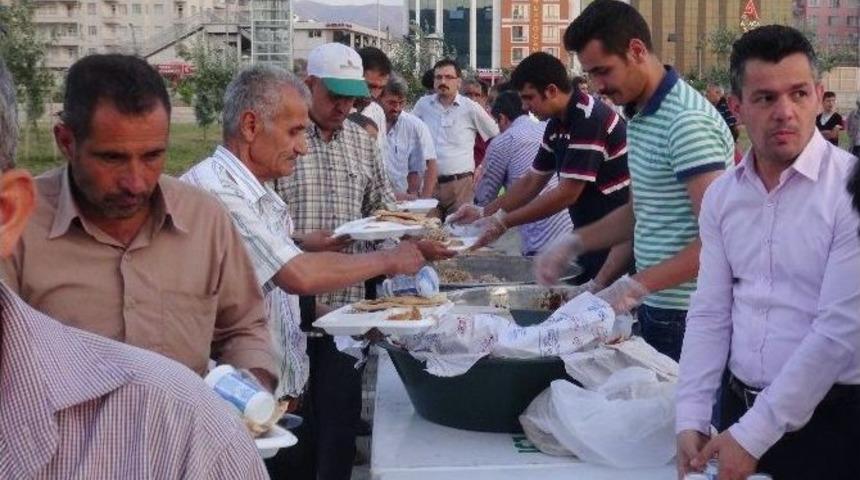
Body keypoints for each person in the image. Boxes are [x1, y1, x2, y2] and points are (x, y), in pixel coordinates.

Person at [0, 56, 268, 480]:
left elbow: (245, 327)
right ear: (66, 141)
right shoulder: (16, 229)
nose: (137, 181)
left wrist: (249, 403)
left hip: (192, 457)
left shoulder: (205, 220)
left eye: (153, 155)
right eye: (112, 158)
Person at [182, 65, 426, 479]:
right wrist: (390, 259)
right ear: (250, 125)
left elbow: (273, 291)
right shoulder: (219, 192)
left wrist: (354, 313)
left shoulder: (255, 193)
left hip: (272, 400)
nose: (303, 148)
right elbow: (296, 274)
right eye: (294, 132)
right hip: (237, 406)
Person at [676, 25, 860, 480]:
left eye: (798, 94)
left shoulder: (848, 191)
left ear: (819, 96)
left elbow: (839, 332)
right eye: (765, 98)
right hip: (738, 407)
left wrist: (753, 435)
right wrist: (692, 414)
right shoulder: (723, 198)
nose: (785, 112)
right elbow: (710, 311)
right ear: (736, 107)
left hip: (832, 422)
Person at [272, 43, 436, 480]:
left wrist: (419, 239)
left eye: (352, 98)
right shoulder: (280, 141)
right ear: (309, 85)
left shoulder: (362, 145)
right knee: (289, 433)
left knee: (339, 428)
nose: (344, 107)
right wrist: (303, 243)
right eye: (334, 96)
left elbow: (383, 208)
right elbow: (257, 226)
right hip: (285, 314)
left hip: (345, 313)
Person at [538, 0, 734, 360]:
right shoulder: (642, 117)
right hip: (658, 306)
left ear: (637, 50)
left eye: (603, 71)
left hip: (687, 313)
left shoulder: (685, 122)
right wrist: (575, 244)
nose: (597, 86)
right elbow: (640, 212)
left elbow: (718, 242)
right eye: (591, 74)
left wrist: (633, 286)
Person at [451, 53, 631, 287]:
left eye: (529, 98)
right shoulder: (556, 124)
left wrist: (504, 222)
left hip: (615, 240)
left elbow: (567, 193)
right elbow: (532, 180)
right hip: (589, 236)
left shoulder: (588, 118)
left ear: (552, 90)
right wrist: (484, 212)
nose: (525, 107)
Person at [471, 90, 574, 256]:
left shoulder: (504, 141)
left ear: (502, 118)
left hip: (540, 239)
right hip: (571, 230)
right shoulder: (547, 129)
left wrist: (478, 213)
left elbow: (485, 197)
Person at [412, 58, 499, 218]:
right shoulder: (422, 105)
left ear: (459, 82)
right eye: (438, 77)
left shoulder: (470, 107)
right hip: (429, 184)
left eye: (448, 77)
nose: (442, 81)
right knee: (428, 235)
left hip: (461, 186)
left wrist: (482, 166)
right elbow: (410, 137)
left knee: (459, 236)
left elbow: (496, 136)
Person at [380, 74, 438, 198]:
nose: (397, 108)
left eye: (401, 103)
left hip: (403, 202)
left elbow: (424, 165)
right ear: (379, 99)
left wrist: (419, 199)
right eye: (391, 103)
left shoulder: (415, 126)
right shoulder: (369, 123)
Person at [356, 46, 391, 157]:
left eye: (381, 88)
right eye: (370, 86)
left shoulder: (377, 111)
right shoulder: (336, 111)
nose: (374, 94)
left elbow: (381, 155)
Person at [462, 78, 492, 172]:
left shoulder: (492, 123)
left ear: (485, 98)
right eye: (468, 94)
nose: (473, 99)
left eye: (477, 95)